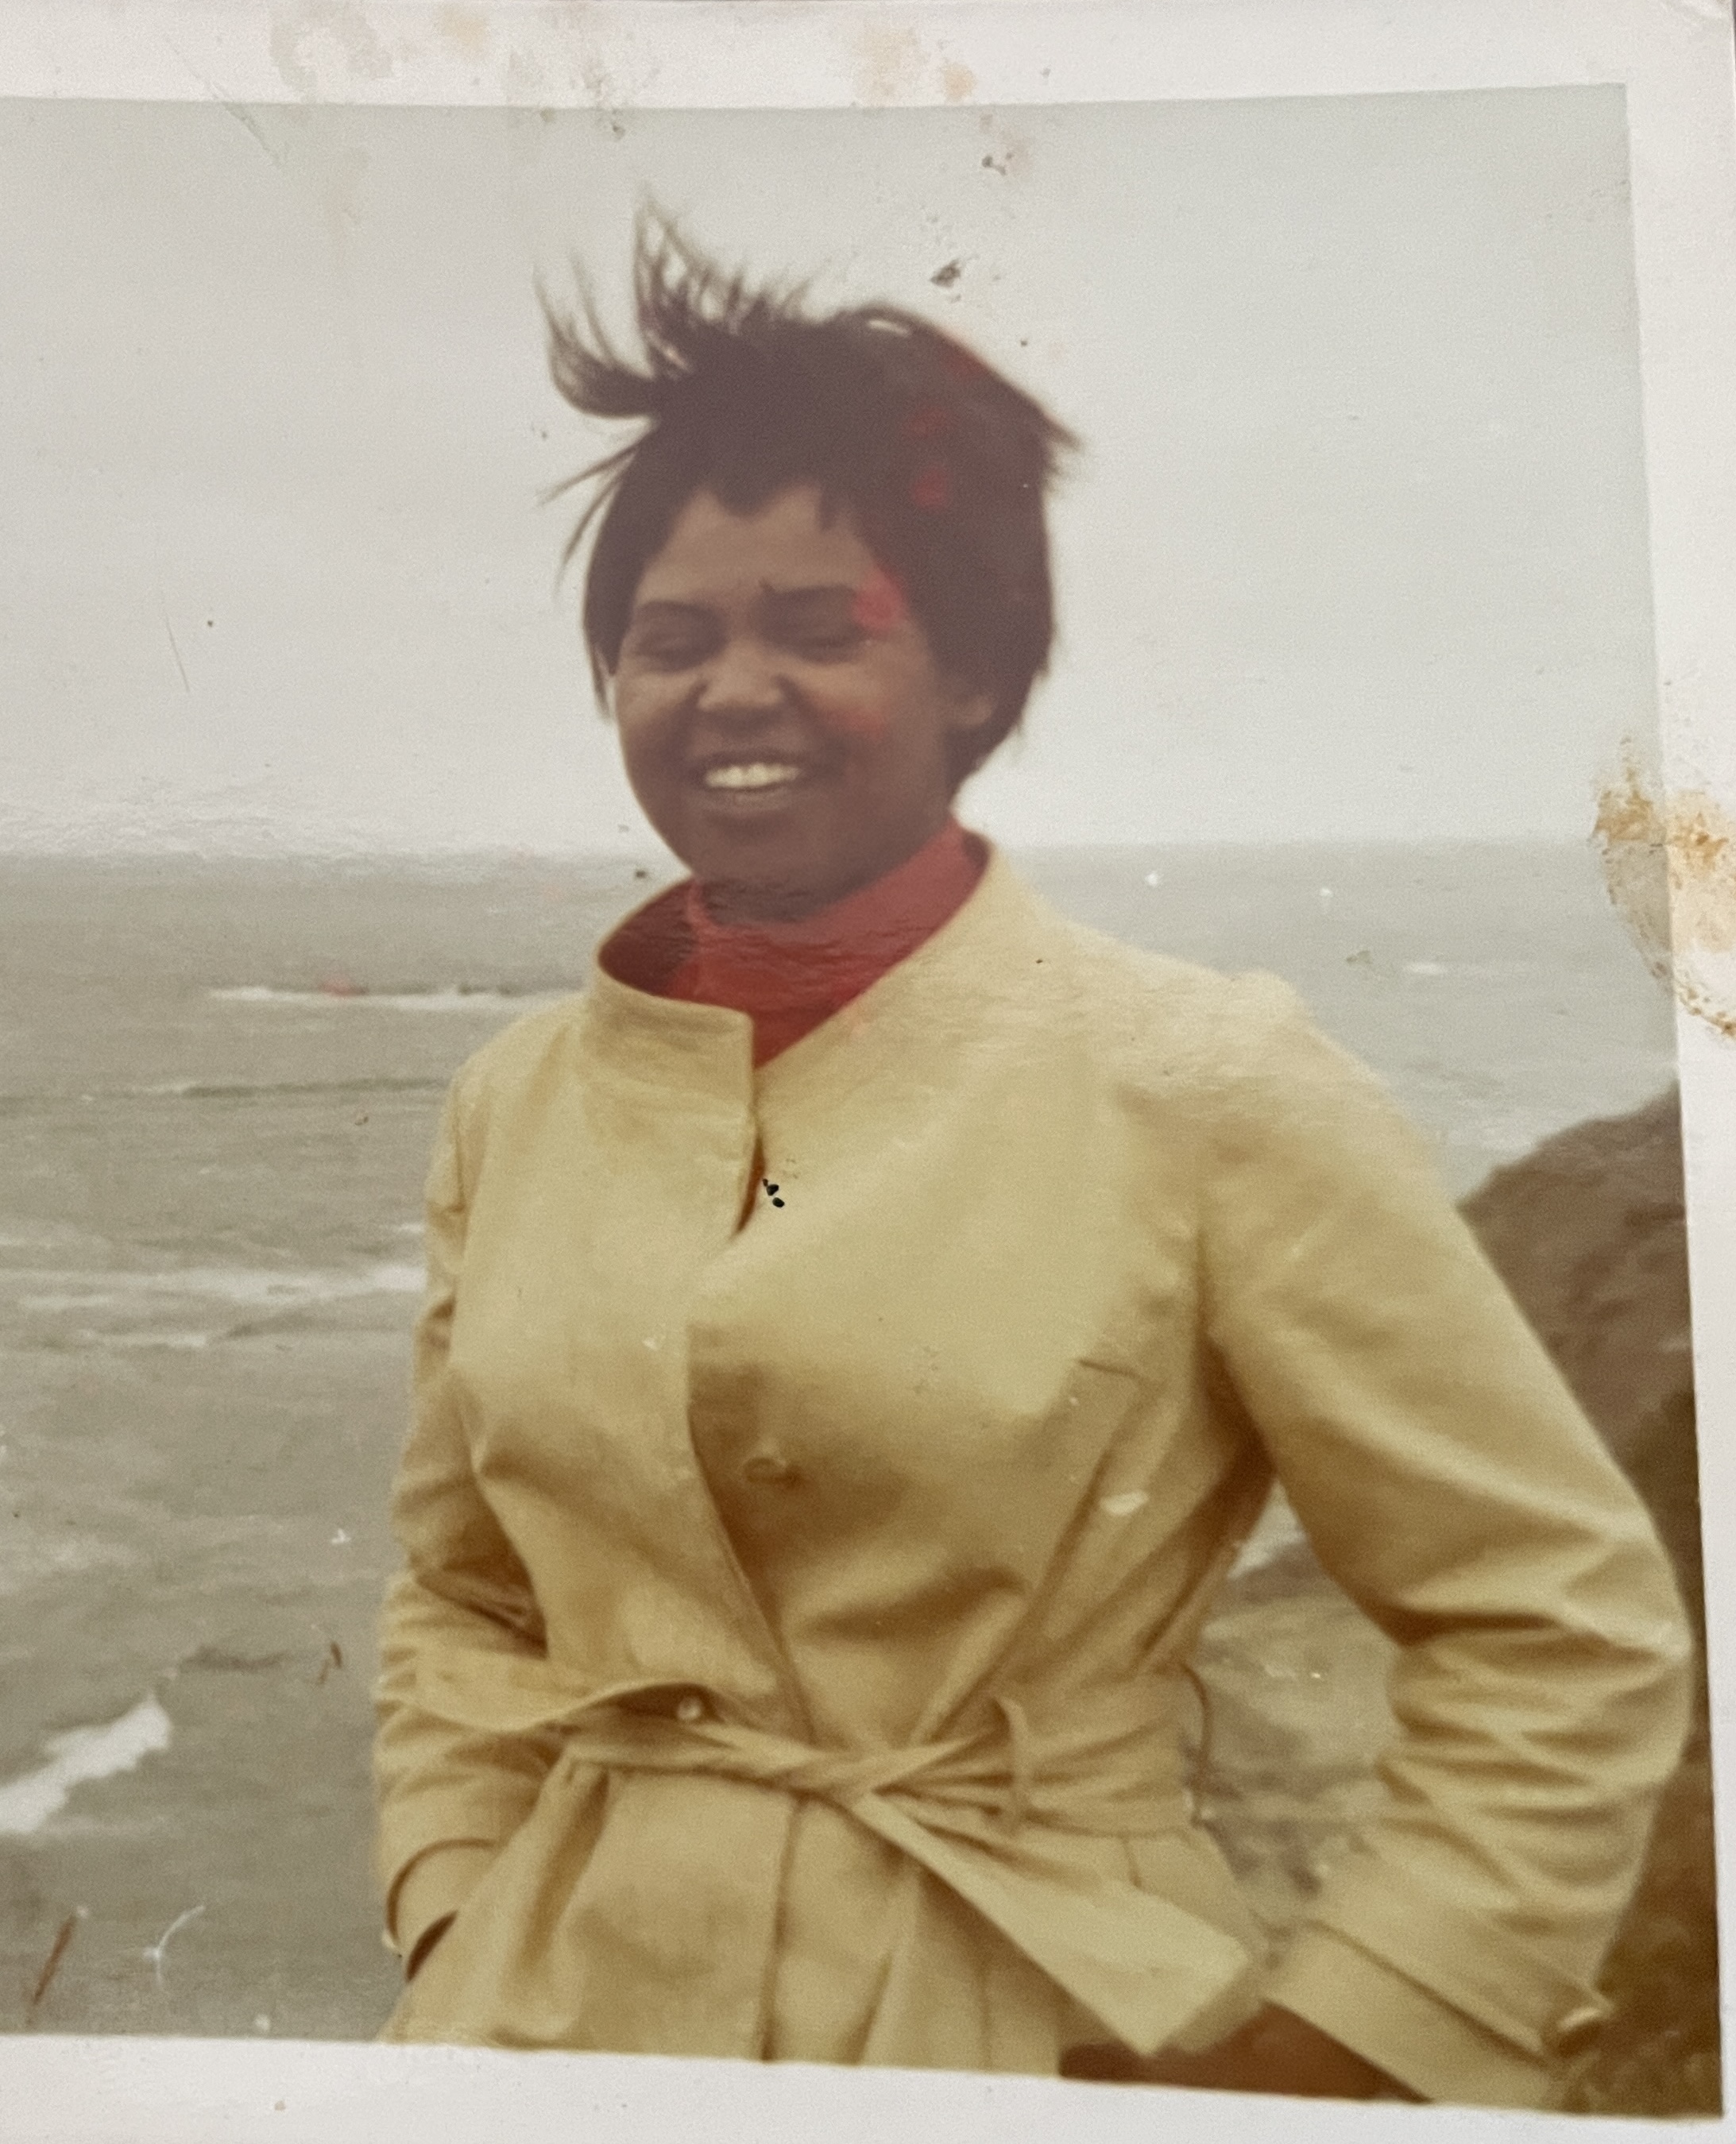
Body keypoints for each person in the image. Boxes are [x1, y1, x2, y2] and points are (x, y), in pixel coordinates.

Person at [367, 218, 1694, 2107]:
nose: (732, 689)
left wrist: (1354, 2045)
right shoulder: (519, 1098)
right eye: (671, 641)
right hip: (539, 2037)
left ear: (977, 681)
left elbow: (1556, 1618)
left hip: (1038, 2036)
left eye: (820, 629)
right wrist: (455, 1900)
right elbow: (465, 1592)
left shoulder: (1200, 1079)